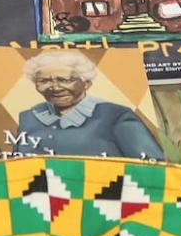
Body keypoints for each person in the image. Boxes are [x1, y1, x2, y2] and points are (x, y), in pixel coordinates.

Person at [15, 52, 164, 161]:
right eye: (44, 81)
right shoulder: (29, 117)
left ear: (86, 83)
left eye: (64, 80)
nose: (55, 88)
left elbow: (153, 167)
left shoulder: (117, 117)